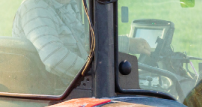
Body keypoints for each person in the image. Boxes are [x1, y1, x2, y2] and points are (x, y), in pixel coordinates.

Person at [13, 0, 153, 78]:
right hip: (56, 95)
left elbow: (85, 41)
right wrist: (98, 74)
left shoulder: (66, 5)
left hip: (70, 88)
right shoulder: (36, 8)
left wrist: (127, 43)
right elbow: (55, 59)